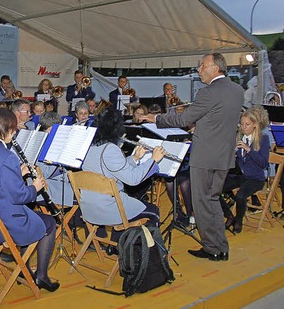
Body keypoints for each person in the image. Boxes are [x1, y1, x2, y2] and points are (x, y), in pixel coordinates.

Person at [143, 53, 243, 261]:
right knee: (213, 200)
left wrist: (158, 118)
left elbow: (185, 118)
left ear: (215, 68)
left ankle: (212, 248)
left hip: (205, 156)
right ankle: (221, 246)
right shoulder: (236, 90)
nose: (199, 69)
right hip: (224, 156)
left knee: (201, 203)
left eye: (202, 66)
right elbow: (218, 119)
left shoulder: (207, 93)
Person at [0, 107, 59, 292]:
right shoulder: (8, 156)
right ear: (6, 129)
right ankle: (41, 276)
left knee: (37, 218)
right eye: (13, 127)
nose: (16, 130)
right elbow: (19, 196)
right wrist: (36, 187)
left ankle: (23, 269)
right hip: (4, 222)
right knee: (49, 223)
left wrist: (17, 172)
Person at [80, 107, 164, 252]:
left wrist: (135, 158)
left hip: (89, 208)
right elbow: (133, 179)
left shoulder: (90, 147)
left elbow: (112, 169)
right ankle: (151, 257)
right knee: (153, 211)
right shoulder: (111, 149)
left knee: (126, 199)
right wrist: (153, 161)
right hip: (108, 209)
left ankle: (118, 245)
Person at [219, 110, 269, 234]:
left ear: (255, 125)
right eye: (241, 124)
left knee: (241, 196)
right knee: (214, 190)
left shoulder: (263, 139)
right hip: (240, 175)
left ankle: (238, 221)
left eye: (247, 124)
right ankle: (230, 216)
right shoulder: (238, 136)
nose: (243, 127)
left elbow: (263, 163)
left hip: (256, 178)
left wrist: (248, 149)